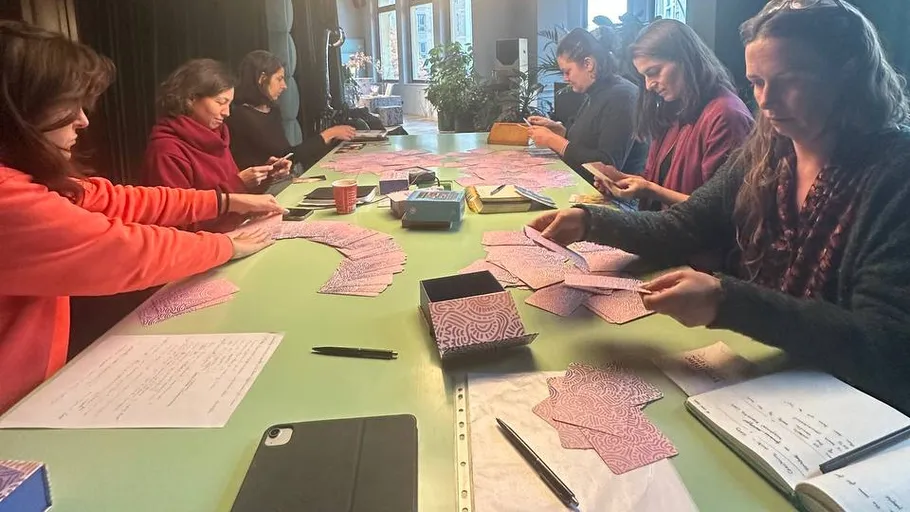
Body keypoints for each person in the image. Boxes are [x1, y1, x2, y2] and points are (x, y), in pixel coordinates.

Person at [529, 0, 910, 414]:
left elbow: (884, 349)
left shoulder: (895, 174)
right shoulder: (767, 150)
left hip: (858, 417)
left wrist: (729, 303)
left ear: (848, 74)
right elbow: (685, 226)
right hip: (774, 378)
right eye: (758, 82)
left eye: (789, 80)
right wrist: (588, 221)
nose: (766, 101)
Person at [0, 21, 283, 413]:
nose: (83, 120)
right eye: (68, 104)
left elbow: (122, 200)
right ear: (18, 108)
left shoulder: (33, 178)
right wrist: (227, 244)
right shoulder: (8, 198)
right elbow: (122, 249)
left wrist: (225, 202)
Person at [596, 19, 754, 210]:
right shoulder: (675, 108)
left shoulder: (727, 116)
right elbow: (658, 180)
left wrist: (651, 190)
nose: (648, 85)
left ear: (685, 59)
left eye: (654, 72)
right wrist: (623, 181)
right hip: (664, 230)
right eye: (644, 76)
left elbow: (722, 208)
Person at [143, 58, 291, 231]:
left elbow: (234, 197)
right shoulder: (166, 151)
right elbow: (180, 224)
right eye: (221, 102)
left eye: (229, 103)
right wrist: (239, 183)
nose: (227, 112)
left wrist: (264, 177)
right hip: (207, 247)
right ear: (191, 98)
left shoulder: (216, 134)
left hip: (235, 233)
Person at [527, 28, 647, 181]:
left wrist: (554, 141)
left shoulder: (623, 96)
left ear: (588, 64)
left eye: (567, 71)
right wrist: (561, 132)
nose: (565, 79)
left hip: (618, 198)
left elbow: (608, 165)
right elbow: (590, 140)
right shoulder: (596, 91)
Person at [226, 50, 356, 172]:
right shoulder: (242, 117)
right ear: (262, 78)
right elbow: (284, 156)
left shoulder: (272, 111)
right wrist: (328, 135)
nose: (284, 85)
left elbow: (288, 156)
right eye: (279, 78)